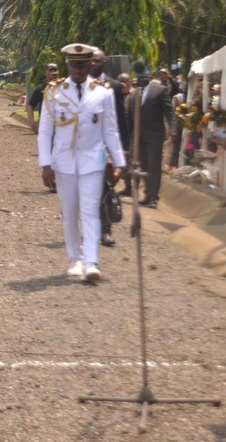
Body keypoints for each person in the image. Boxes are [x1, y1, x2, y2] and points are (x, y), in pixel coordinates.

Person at [38, 43, 125, 282]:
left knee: (90, 212)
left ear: (90, 65)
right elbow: (45, 131)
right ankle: (75, 258)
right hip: (64, 161)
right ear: (68, 64)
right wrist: (45, 164)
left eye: (84, 64)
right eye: (75, 65)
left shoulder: (102, 92)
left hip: (92, 161)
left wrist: (119, 162)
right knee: (70, 212)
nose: (79, 69)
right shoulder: (54, 92)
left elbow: (111, 130)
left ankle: (91, 262)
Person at [89, 49, 128, 247]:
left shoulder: (113, 86)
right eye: (91, 60)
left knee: (105, 188)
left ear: (105, 63)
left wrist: (122, 152)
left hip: (104, 149)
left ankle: (105, 230)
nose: (94, 63)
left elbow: (120, 121)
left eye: (98, 60)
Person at [127, 61, 172, 208]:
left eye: (145, 76)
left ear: (149, 75)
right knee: (144, 165)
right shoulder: (132, 97)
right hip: (139, 137)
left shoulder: (159, 90)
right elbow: (130, 121)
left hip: (154, 135)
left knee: (153, 166)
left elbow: (169, 112)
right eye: (140, 78)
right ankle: (147, 194)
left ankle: (153, 197)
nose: (143, 80)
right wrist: (130, 139)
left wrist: (173, 129)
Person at [26, 62, 59, 134]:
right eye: (50, 70)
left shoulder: (63, 88)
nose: (53, 72)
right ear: (46, 73)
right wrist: (32, 123)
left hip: (61, 126)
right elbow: (30, 106)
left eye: (55, 70)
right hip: (45, 125)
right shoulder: (40, 89)